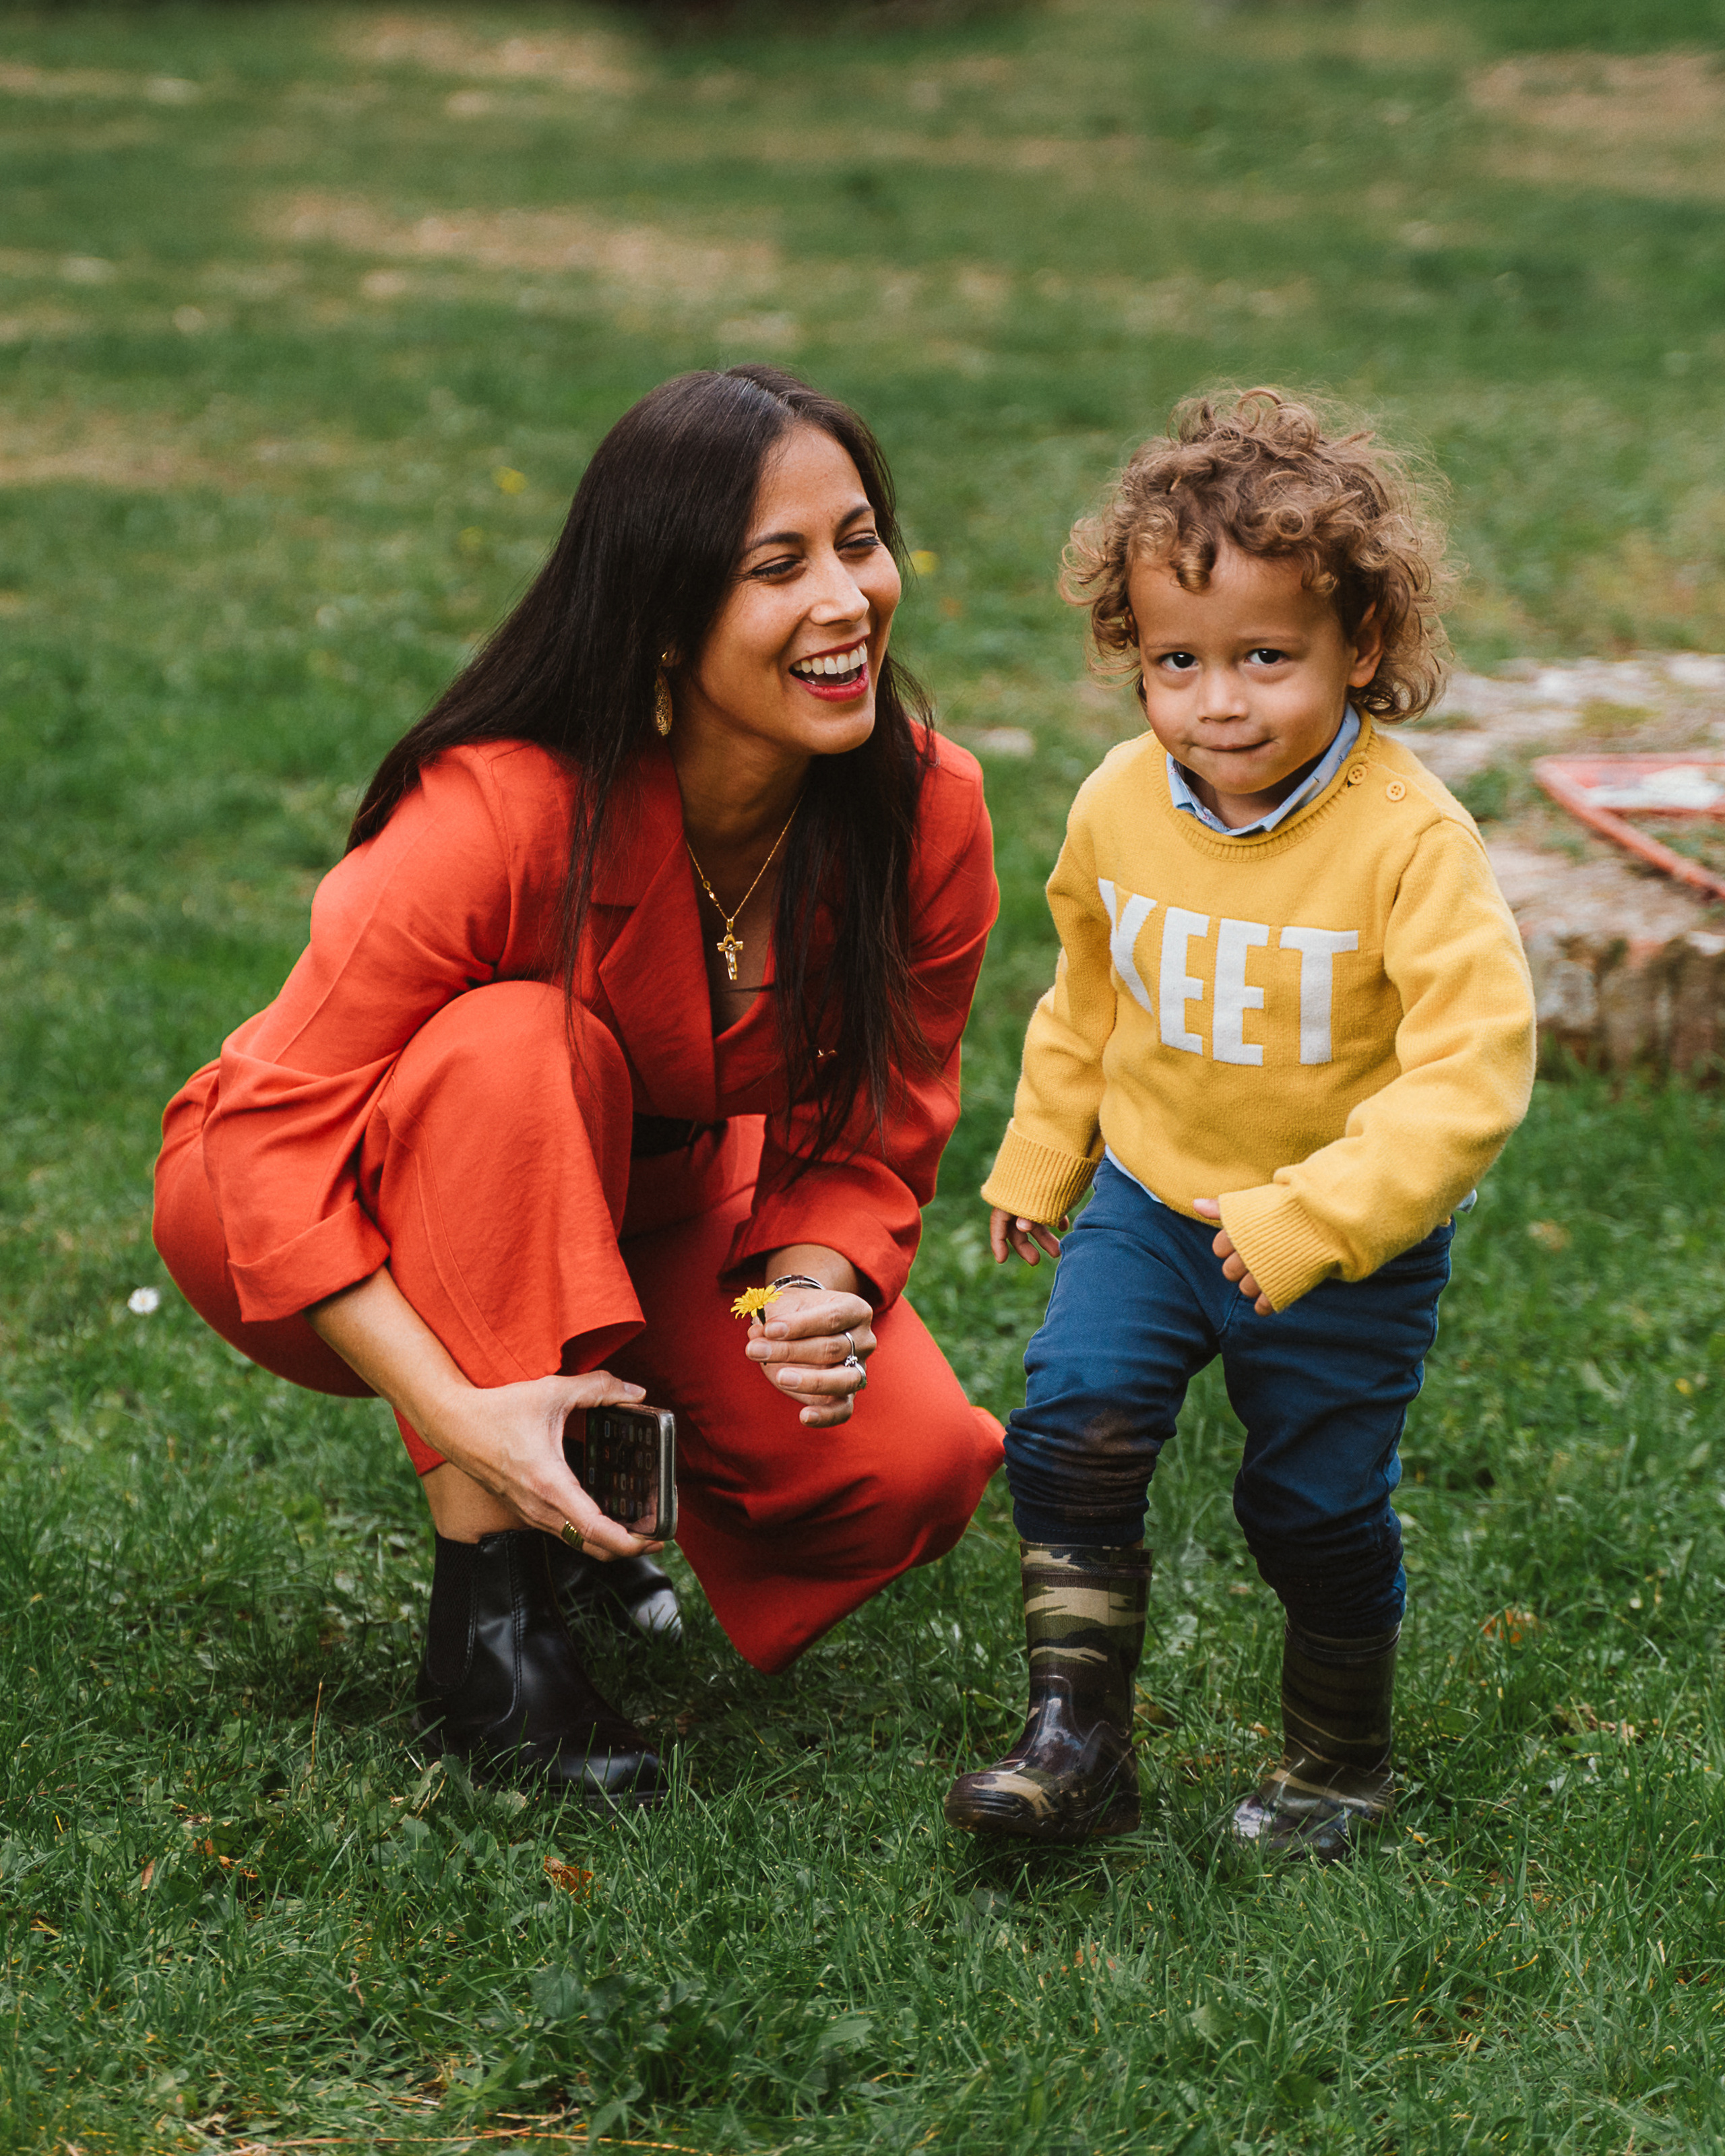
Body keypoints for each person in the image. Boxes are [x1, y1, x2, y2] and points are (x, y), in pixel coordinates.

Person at [154, 365, 1004, 1803]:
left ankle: (592, 1506)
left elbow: (874, 1132)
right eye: (777, 567)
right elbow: (264, 1140)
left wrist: (809, 1281)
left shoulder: (923, 809)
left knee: (903, 1464)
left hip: (650, 1198)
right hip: (327, 1196)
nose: (847, 599)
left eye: (858, 542)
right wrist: (457, 1409)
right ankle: (490, 1624)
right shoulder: (502, 802)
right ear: (664, 621)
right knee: (518, 1049)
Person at [942, 389, 1536, 1858]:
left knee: (1309, 1509)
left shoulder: (1408, 841)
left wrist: (1315, 1219)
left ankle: (1337, 1758)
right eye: (1176, 662)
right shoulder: (1116, 806)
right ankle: (1073, 1740)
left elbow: (1471, 1073)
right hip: (1150, 1199)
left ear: (1361, 649)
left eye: (1266, 658)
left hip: (1342, 1242)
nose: (1218, 702)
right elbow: (1086, 995)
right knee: (1070, 1420)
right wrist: (1042, 1155)